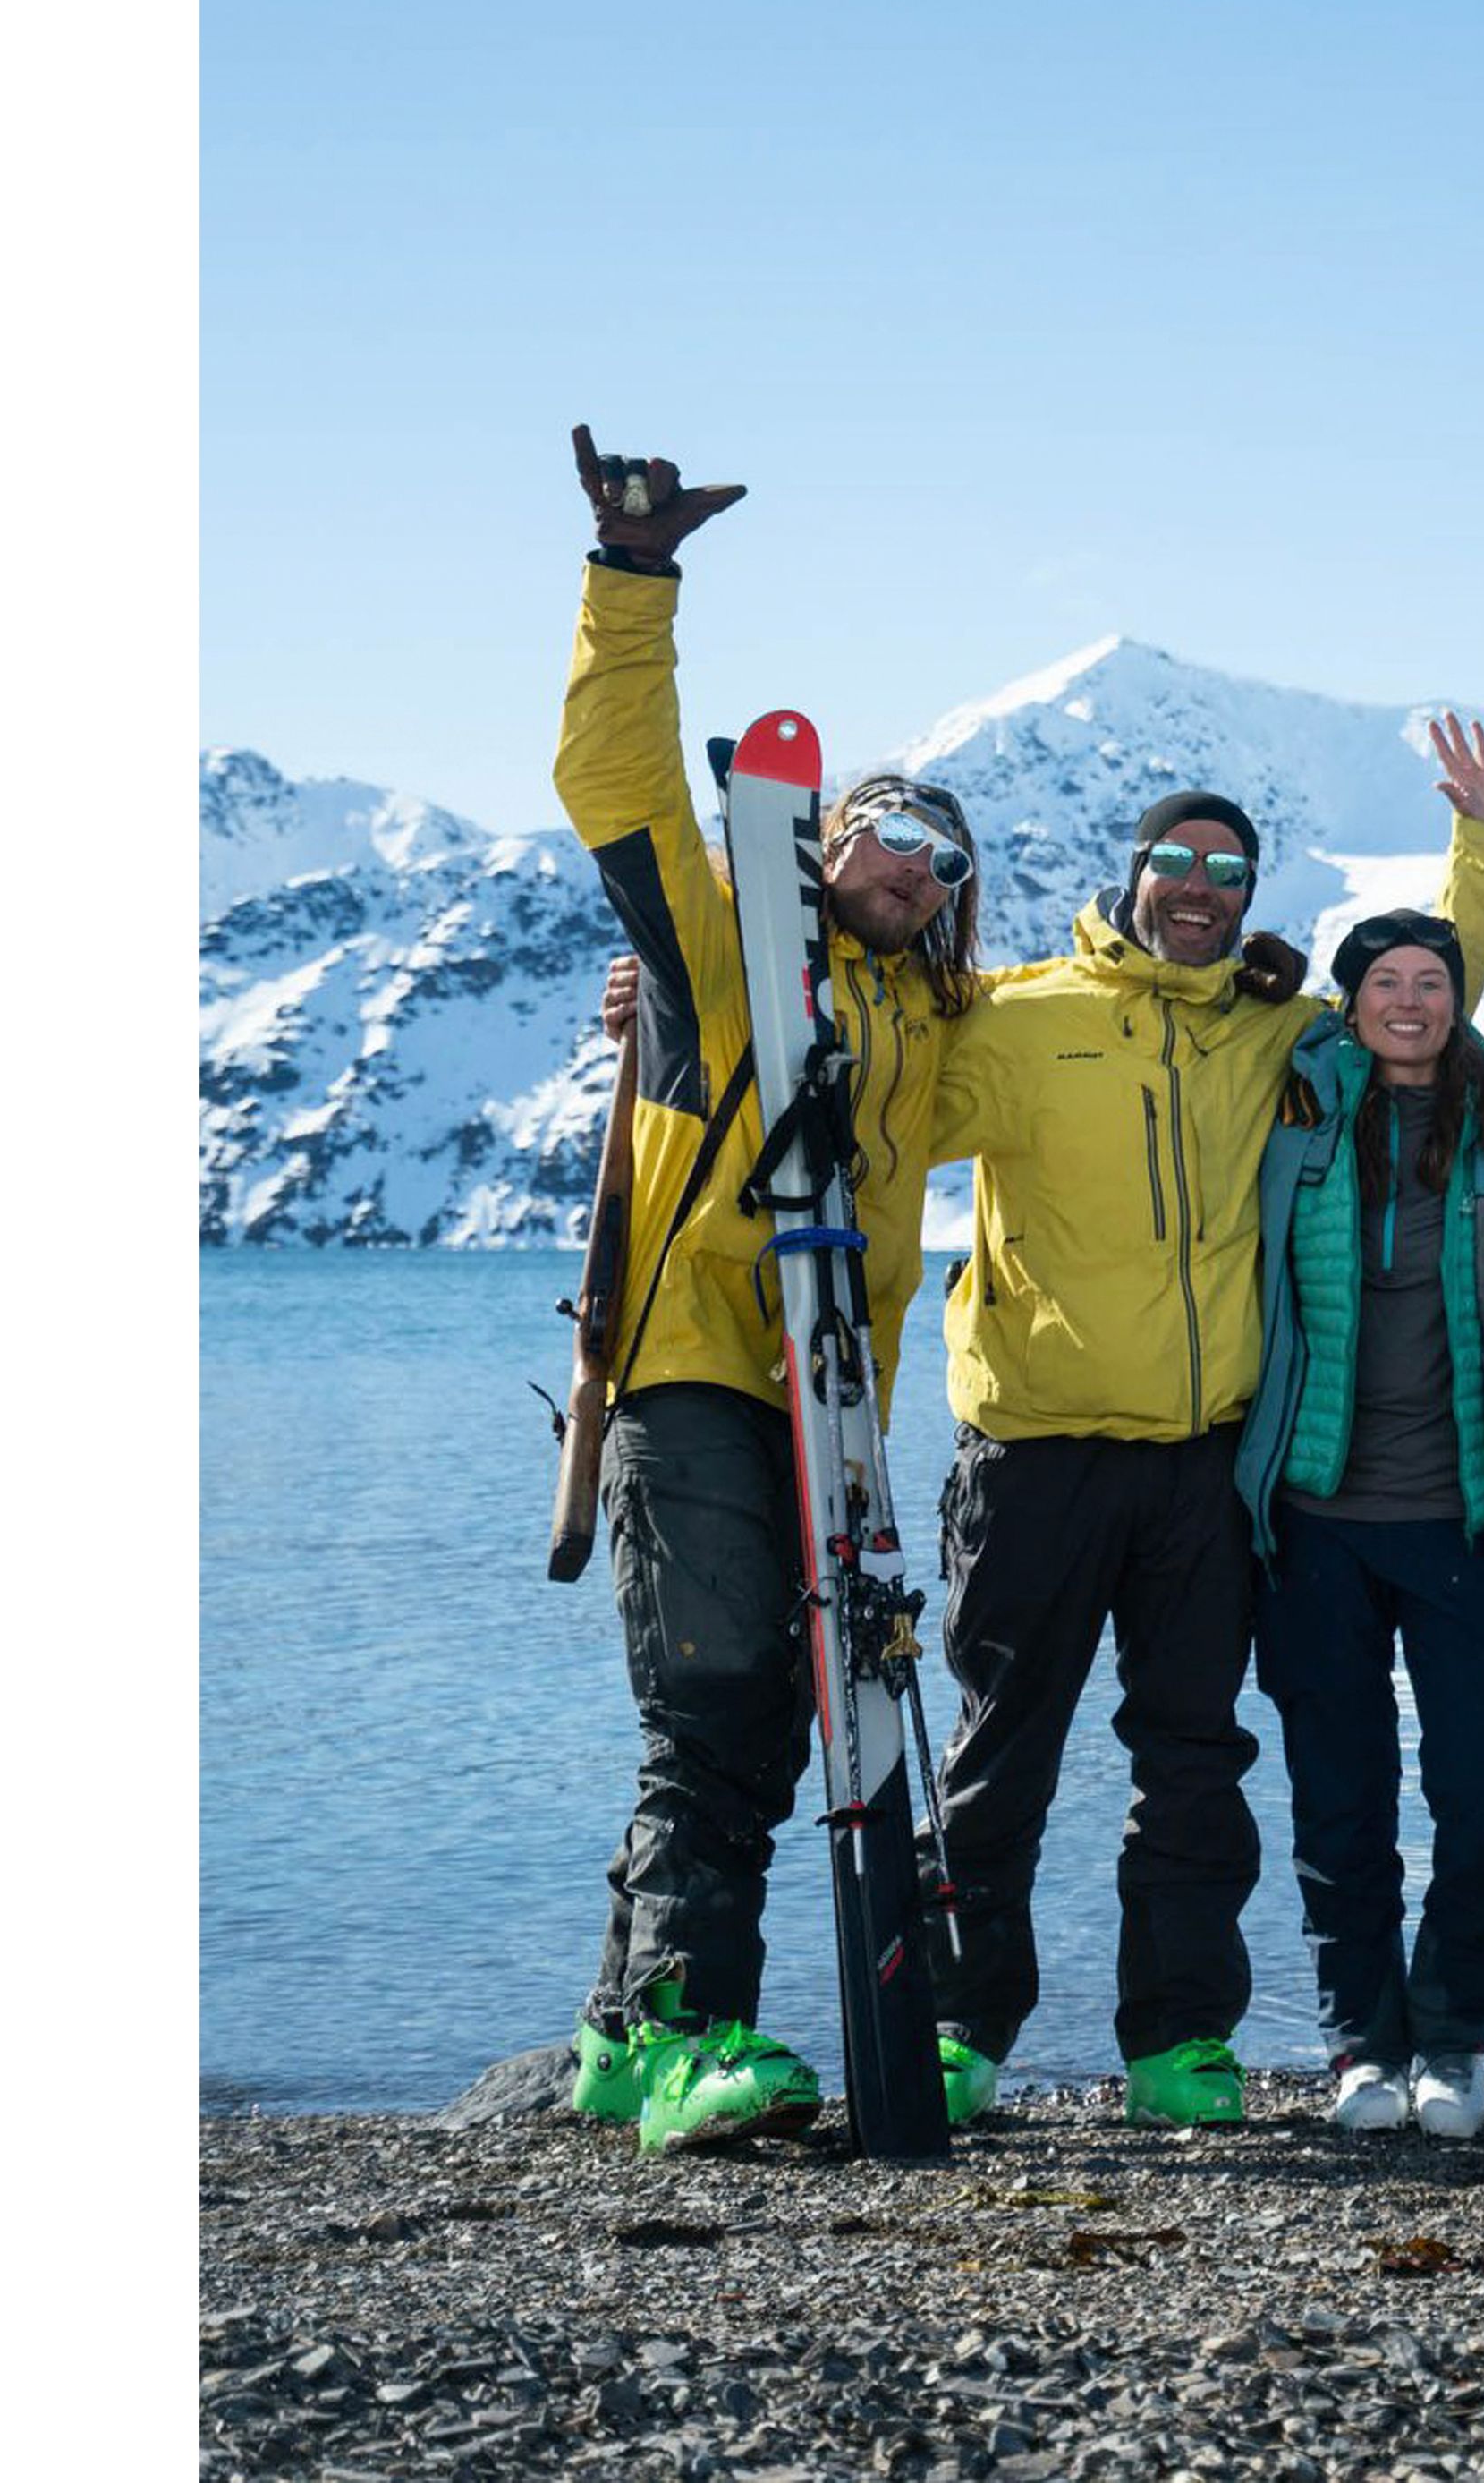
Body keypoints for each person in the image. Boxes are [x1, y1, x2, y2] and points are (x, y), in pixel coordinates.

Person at [912, 682, 1484, 2126]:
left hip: (1207, 1468)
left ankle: (1177, 2041)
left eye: (1226, 873)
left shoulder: (1278, 1036)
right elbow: (878, 1100)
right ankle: (959, 2025)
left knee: (1192, 1761)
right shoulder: (1015, 1020)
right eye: (1175, 866)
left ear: (1251, 892)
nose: (1197, 891)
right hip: (1038, 1450)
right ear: (1127, 880)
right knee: (1001, 1754)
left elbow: (1425, 990)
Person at [536, 427, 1002, 2152]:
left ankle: (610, 2037)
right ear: (828, 837)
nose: (912, 873)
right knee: (718, 1705)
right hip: (688, 1375)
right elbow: (621, 787)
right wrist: (633, 580)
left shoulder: (934, 1032)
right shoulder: (716, 955)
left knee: (788, 1712)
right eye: (889, 839)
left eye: (945, 868)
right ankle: (681, 2038)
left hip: (836, 1404)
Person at [1232, 905, 1484, 2139]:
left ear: (1458, 1000)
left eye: (1432, 981)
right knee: (1339, 1794)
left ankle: (1453, 2037)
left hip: (1461, 1515)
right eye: (1384, 981)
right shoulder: (1293, 1111)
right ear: (1347, 1001)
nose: (1408, 1000)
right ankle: (1362, 2036)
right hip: (1315, 1517)